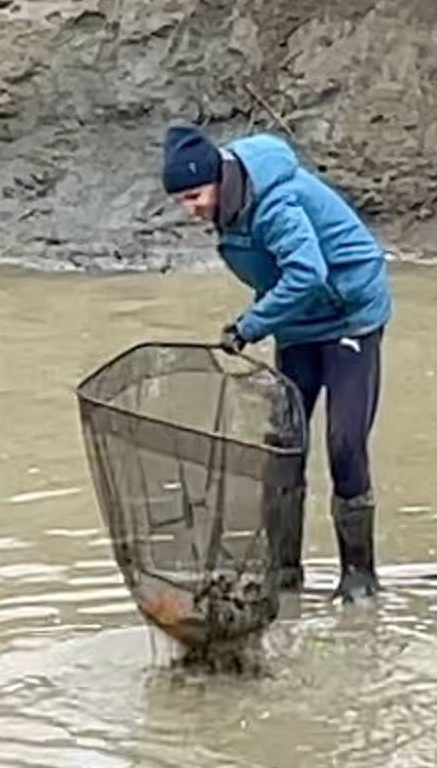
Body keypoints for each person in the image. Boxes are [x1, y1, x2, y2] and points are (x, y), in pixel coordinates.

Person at [163, 120, 393, 600]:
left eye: (195, 197)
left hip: (349, 314)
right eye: (182, 201)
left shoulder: (274, 204)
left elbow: (308, 273)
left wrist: (249, 326)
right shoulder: (228, 207)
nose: (190, 211)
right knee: (283, 444)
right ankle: (284, 574)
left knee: (344, 443)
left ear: (218, 181)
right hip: (299, 324)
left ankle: (359, 577)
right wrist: (269, 319)